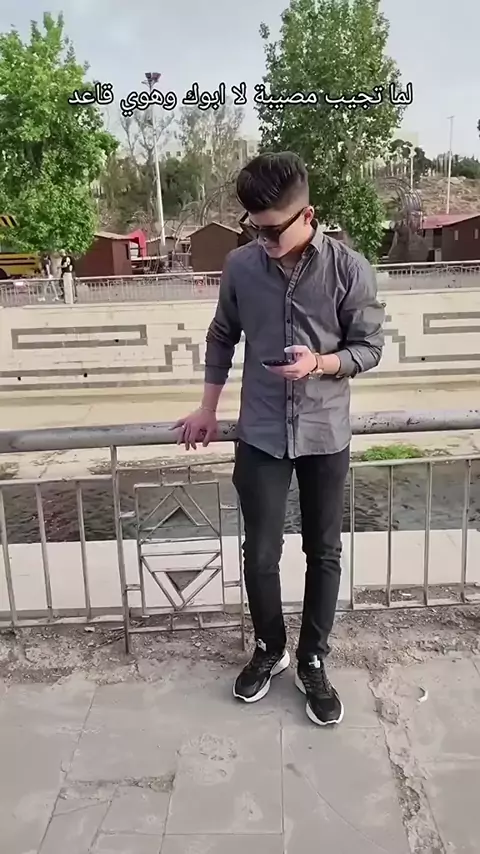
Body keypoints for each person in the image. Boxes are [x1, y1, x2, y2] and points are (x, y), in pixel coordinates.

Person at [173, 152, 384, 726]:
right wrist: (207, 408)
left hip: (325, 432)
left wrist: (320, 363)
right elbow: (221, 336)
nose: (261, 240)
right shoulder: (240, 267)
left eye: (272, 229)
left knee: (324, 551)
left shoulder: (349, 269)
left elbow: (369, 348)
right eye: (253, 228)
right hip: (261, 432)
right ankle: (270, 647)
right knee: (260, 553)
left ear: (307, 214)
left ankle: (313, 657)